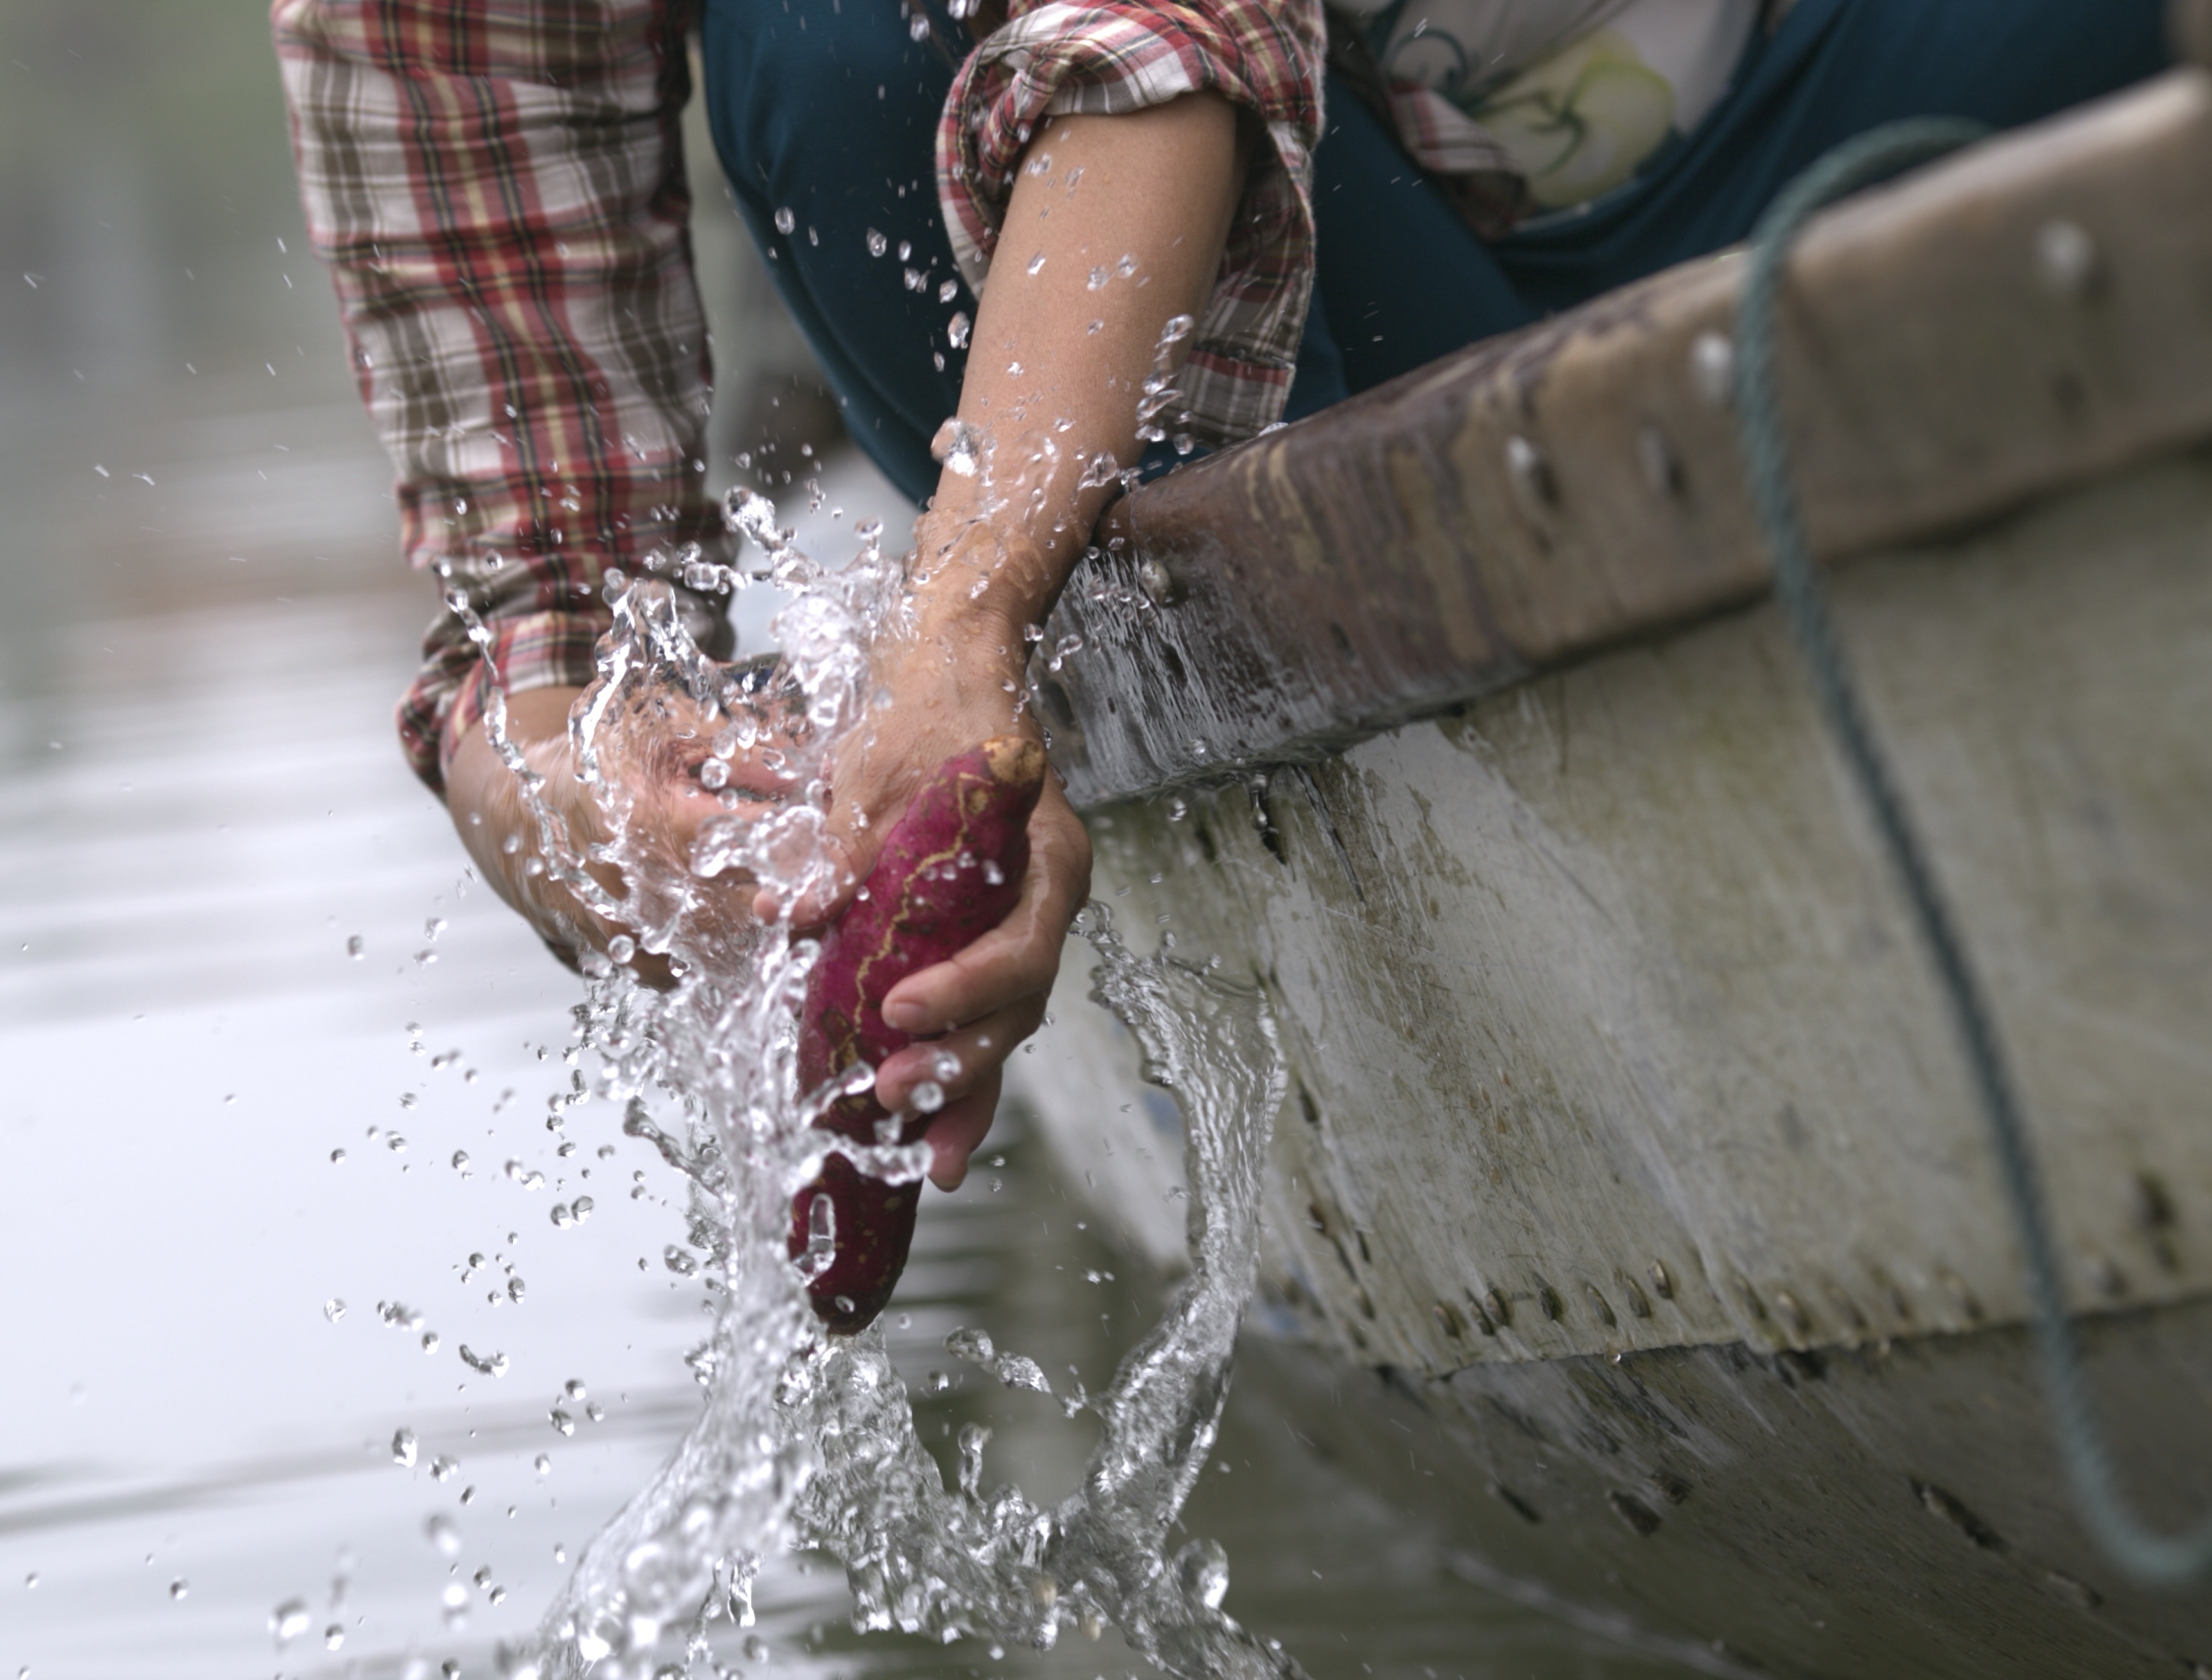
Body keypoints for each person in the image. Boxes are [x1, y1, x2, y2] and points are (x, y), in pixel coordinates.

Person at [271, 0, 2171, 1193]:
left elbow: (1158, 37)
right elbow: (548, 613)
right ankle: (1169, 673)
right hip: (1325, 333)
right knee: (829, 28)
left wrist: (959, 625)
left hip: (1871, 85)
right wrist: (582, 803)